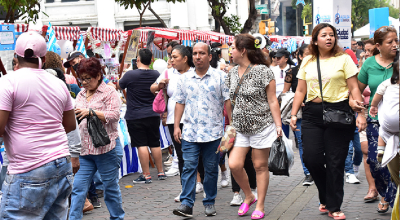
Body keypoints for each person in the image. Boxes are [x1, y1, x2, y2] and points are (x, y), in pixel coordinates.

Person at [290, 23, 365, 219]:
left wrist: (361, 113)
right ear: (315, 40)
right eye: (324, 35)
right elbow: (300, 90)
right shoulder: (307, 61)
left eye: (332, 35)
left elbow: (354, 88)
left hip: (339, 112)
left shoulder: (344, 59)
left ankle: (334, 206)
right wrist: (293, 114)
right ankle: (325, 195)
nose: (329, 38)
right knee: (311, 158)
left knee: (335, 162)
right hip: (312, 114)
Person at [0, 31, 76, 219]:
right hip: (61, 163)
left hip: (29, 168)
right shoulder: (58, 84)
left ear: (16, 57)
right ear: (43, 57)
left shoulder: (8, 82)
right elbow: (70, 124)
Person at [172, 42, 231, 217]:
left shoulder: (220, 77)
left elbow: (227, 102)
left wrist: (231, 126)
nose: (198, 56)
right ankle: (187, 204)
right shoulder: (184, 79)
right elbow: (179, 102)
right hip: (190, 132)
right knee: (189, 167)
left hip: (213, 133)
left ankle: (209, 202)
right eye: (195, 53)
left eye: (202, 53)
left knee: (211, 169)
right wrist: (176, 126)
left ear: (210, 56)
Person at [227, 34, 283, 220]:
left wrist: (278, 125)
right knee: (234, 164)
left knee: (260, 166)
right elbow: (229, 101)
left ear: (243, 50)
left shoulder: (264, 71)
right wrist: (230, 124)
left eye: (233, 48)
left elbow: (272, 100)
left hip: (262, 126)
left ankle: (260, 204)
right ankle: (249, 196)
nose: (230, 52)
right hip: (240, 128)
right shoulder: (232, 72)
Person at [69, 57, 124, 219]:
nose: (84, 82)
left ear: (98, 76)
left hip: (106, 150)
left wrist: (91, 112)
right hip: (85, 152)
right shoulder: (80, 94)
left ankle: (117, 217)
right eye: (82, 79)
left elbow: (114, 115)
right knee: (78, 189)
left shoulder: (109, 92)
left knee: (110, 189)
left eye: (88, 78)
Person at [357, 26, 398, 213]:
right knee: (374, 160)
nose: (395, 45)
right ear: (378, 45)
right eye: (390, 42)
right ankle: (387, 192)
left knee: (396, 162)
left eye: (396, 41)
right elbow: (356, 89)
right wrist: (360, 112)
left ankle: (391, 197)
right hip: (376, 120)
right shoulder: (369, 64)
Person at [150, 45, 195, 200]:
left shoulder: (195, 73)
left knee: (196, 156)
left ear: (185, 58)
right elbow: (152, 88)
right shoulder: (168, 72)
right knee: (182, 155)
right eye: (171, 57)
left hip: (193, 119)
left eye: (175, 57)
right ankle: (185, 189)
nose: (171, 60)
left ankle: (199, 183)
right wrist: (160, 85)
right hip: (173, 121)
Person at [119, 48, 167, 184]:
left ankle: (146, 175)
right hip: (153, 113)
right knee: (155, 143)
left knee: (141, 144)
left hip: (135, 114)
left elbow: (119, 85)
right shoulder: (156, 74)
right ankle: (160, 171)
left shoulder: (130, 75)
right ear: (151, 60)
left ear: (138, 59)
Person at [282, 44, 314, 186]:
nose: (310, 56)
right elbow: (285, 93)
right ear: (300, 56)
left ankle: (317, 169)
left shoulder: (319, 71)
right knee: (302, 143)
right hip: (300, 113)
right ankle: (308, 173)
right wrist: (296, 100)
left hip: (318, 110)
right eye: (307, 54)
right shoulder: (292, 72)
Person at [370, 60, 399, 187]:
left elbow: (377, 96)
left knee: (383, 130)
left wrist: (373, 106)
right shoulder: (388, 83)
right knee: (383, 129)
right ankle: (381, 150)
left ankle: (381, 150)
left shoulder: (387, 83)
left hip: (388, 125)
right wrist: (374, 106)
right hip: (390, 124)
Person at [270, 48, 295, 138]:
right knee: (282, 127)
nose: (277, 59)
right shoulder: (272, 70)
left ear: (286, 59)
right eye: (276, 57)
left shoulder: (293, 70)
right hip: (276, 101)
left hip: (290, 100)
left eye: (279, 58)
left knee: (293, 124)